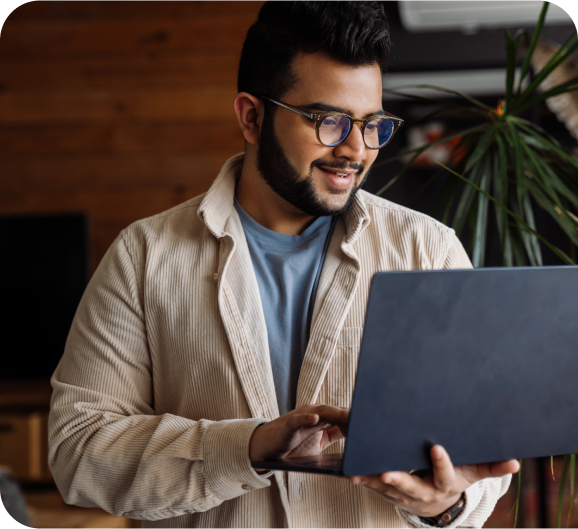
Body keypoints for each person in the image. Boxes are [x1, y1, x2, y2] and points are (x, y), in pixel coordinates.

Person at [48, 1, 519, 528]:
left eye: (371, 124)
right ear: (252, 116)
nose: (355, 150)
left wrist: (447, 504)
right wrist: (247, 447)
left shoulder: (429, 250)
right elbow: (79, 452)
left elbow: (482, 449)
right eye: (329, 121)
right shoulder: (143, 257)